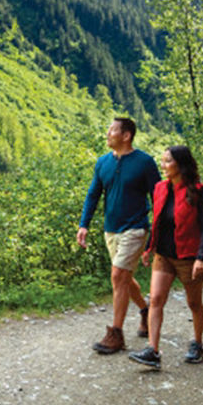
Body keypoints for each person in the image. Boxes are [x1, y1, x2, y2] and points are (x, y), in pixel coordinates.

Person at [76, 117, 161, 354]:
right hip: (110, 230)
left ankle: (116, 334)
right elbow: (93, 195)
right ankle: (145, 310)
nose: (107, 134)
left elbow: (159, 198)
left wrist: (157, 232)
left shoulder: (144, 162)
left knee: (118, 275)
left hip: (135, 227)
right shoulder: (103, 163)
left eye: (112, 130)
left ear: (126, 135)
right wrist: (84, 225)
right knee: (123, 277)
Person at [128, 145, 203, 370]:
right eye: (162, 161)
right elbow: (158, 221)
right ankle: (153, 351)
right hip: (163, 254)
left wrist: (201, 258)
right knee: (155, 299)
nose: (163, 165)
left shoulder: (197, 190)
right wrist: (149, 248)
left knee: (194, 303)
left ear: (180, 164)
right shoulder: (159, 188)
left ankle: (198, 343)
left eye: (167, 161)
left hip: (188, 256)